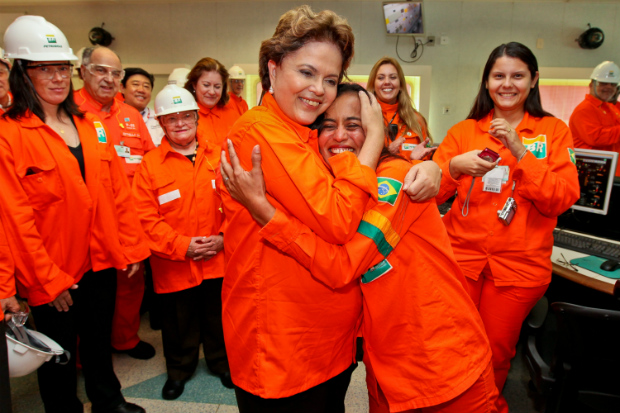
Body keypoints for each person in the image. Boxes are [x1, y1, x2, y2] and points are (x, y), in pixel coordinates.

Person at [221, 83, 499, 413]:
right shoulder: (334, 192)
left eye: (354, 125)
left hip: (442, 364)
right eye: (327, 126)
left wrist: (264, 211)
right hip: (385, 370)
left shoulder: (392, 178)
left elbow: (341, 266)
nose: (339, 136)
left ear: (376, 130)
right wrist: (445, 168)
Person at [219, 6, 441, 412]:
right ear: (272, 70)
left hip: (327, 343)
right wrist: (374, 139)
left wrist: (434, 166)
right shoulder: (261, 132)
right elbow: (339, 219)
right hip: (282, 349)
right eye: (306, 72)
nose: (318, 89)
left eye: (329, 79)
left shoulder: (305, 131)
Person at [0, 15, 149, 413]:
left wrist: (131, 247)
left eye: (62, 67)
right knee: (59, 356)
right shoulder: (10, 134)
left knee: (99, 341)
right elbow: (14, 219)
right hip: (52, 272)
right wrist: (47, 281)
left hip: (99, 260)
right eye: (44, 68)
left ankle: (108, 400)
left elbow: (117, 192)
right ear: (20, 71)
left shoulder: (91, 125)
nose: (57, 77)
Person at [432, 42, 580, 413]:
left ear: (534, 81)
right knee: (453, 343)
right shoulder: (464, 132)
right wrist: (453, 168)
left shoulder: (553, 132)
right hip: (461, 261)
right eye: (499, 75)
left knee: (495, 349)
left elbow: (562, 197)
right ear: (486, 82)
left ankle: (484, 407)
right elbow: (428, 193)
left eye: (518, 75)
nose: (507, 84)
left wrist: (521, 151)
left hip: (518, 269)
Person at [132, 85, 232, 400]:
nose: (179, 124)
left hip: (219, 260)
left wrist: (223, 238)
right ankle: (178, 371)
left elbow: (239, 204)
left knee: (220, 320)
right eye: (171, 119)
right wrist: (183, 246)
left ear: (196, 117)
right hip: (173, 265)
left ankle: (223, 364)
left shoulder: (221, 155)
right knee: (178, 325)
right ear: (161, 123)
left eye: (185, 116)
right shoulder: (150, 165)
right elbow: (145, 218)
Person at [75, 45, 156, 360]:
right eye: (100, 70)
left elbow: (150, 161)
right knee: (88, 291)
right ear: (83, 71)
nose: (108, 79)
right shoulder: (71, 110)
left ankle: (125, 338)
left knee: (131, 284)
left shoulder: (131, 115)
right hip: (89, 220)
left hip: (130, 216)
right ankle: (84, 353)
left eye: (115, 73)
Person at [367, 57, 434, 161]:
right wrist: (387, 154)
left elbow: (426, 163)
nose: (387, 82)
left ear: (401, 84)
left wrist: (415, 160)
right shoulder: (363, 118)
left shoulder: (416, 120)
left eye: (393, 77)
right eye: (381, 78)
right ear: (373, 84)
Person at [569, 61, 620, 176]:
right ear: (591, 85)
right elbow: (597, 138)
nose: (608, 87)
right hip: (594, 173)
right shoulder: (584, 110)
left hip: (613, 173)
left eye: (613, 84)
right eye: (603, 83)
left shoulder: (613, 107)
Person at [184, 57, 241, 149]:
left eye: (217, 87)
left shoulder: (233, 114)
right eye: (206, 85)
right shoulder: (185, 117)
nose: (212, 92)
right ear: (194, 85)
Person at [121, 67, 165, 146]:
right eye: (135, 84)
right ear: (122, 88)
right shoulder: (112, 116)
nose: (141, 90)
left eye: (146, 86)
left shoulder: (160, 119)